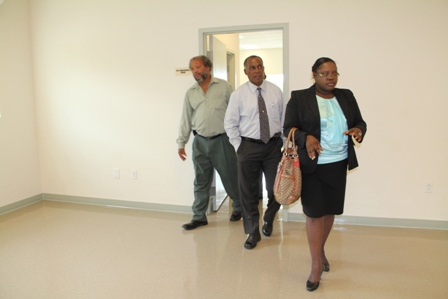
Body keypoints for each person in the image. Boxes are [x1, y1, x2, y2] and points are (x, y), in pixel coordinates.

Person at [283, 57, 367, 291]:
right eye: (325, 73)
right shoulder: (300, 97)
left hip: (337, 164)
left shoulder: (346, 95)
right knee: (313, 214)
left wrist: (359, 130)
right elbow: (287, 128)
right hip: (312, 165)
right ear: (314, 75)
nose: (330, 77)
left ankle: (319, 252)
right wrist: (305, 137)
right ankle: (315, 267)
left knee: (329, 211)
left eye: (334, 73)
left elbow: (360, 121)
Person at [224, 55, 284, 249]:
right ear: (246, 72)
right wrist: (238, 146)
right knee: (248, 192)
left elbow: (283, 120)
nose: (257, 70)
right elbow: (230, 123)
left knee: (277, 189)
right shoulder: (238, 95)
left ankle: (268, 219)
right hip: (248, 147)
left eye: (259, 66)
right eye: (252, 68)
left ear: (263, 68)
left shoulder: (275, 91)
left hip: (273, 147)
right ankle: (252, 232)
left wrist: (284, 143)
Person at [177, 55, 243, 230]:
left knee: (230, 177)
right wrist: (181, 142)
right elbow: (185, 118)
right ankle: (199, 216)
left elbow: (236, 112)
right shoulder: (190, 93)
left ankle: (238, 206)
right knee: (200, 181)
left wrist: (238, 139)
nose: (195, 71)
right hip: (199, 142)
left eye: (198, 67)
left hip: (222, 141)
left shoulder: (224, 87)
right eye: (192, 68)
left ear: (208, 67)